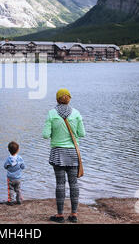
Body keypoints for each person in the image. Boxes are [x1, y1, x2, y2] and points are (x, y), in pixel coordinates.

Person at [42, 88, 85, 223]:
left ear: (57, 99)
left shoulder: (51, 114)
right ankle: (74, 214)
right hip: (73, 153)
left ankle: (60, 215)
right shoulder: (76, 113)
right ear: (69, 99)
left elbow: (45, 135)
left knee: (60, 184)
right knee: (74, 184)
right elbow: (82, 133)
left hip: (58, 153)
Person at [4, 141, 25, 205]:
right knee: (18, 189)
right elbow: (23, 166)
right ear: (18, 150)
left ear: (8, 150)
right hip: (18, 178)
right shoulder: (20, 158)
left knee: (10, 189)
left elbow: (5, 166)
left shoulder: (8, 159)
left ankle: (11, 201)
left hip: (10, 178)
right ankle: (18, 200)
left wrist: (9, 168)